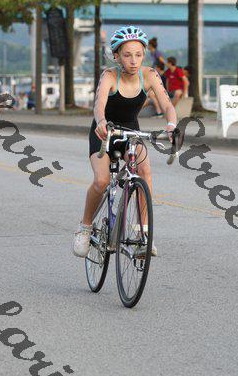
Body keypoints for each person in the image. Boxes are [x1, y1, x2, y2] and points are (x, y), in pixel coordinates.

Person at [72, 25, 177, 258]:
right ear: (117, 56)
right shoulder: (109, 75)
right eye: (127, 55)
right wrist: (101, 122)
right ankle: (85, 227)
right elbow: (99, 105)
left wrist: (172, 125)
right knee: (101, 181)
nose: (133, 61)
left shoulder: (150, 75)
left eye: (138, 55)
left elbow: (167, 105)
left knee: (144, 171)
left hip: (130, 131)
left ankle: (143, 234)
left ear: (144, 55)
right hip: (104, 131)